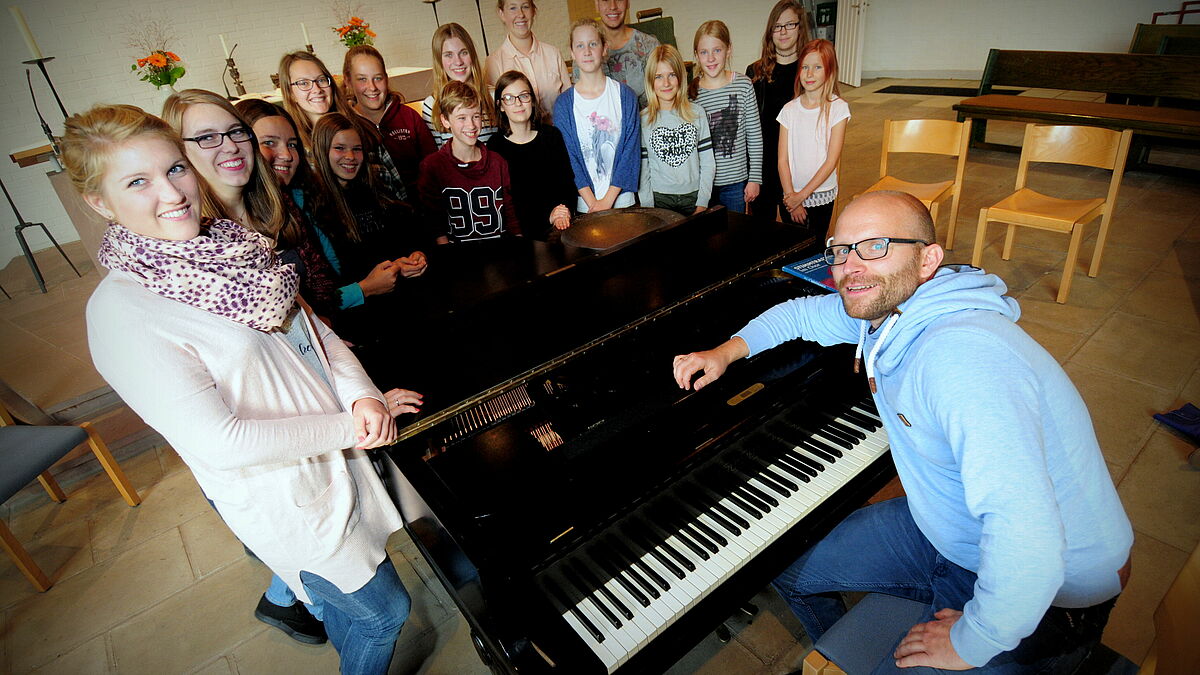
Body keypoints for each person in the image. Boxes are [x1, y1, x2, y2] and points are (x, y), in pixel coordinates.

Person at [671, 190, 1133, 674]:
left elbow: (1030, 539)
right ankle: (838, 652)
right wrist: (724, 352)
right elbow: (801, 314)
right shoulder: (893, 310)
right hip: (950, 534)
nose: (851, 266)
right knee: (784, 565)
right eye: (842, 249)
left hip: (1054, 593)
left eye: (876, 246)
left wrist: (970, 640)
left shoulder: (961, 356)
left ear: (928, 259)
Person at [65, 103, 424, 673]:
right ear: (99, 202)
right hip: (287, 491)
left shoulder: (229, 243)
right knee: (383, 613)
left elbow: (309, 326)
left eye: (175, 169)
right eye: (138, 181)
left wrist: (362, 395)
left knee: (361, 596)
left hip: (340, 454)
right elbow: (221, 442)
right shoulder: (123, 312)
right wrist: (348, 425)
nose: (173, 193)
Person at [164, 89, 339, 320]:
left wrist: (323, 326)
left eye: (236, 132)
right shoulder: (190, 238)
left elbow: (320, 281)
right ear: (179, 153)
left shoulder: (276, 201)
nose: (231, 147)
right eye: (207, 137)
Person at [236, 99, 407, 314]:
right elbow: (291, 308)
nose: (287, 155)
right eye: (269, 142)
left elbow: (330, 281)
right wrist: (364, 289)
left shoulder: (302, 198)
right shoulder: (239, 223)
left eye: (291, 144)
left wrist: (400, 264)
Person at [310, 113, 430, 288]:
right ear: (322, 150)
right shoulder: (314, 205)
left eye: (357, 149)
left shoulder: (375, 188)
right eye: (340, 148)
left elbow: (409, 233)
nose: (350, 156)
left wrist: (416, 255)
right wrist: (369, 285)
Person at [280, 50, 409, 202]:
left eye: (321, 80)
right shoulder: (294, 149)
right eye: (303, 83)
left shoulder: (362, 129)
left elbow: (399, 191)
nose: (316, 89)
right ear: (290, 93)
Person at [554, 18, 640, 215]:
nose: (587, 51)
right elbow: (570, 158)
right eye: (580, 45)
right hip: (586, 207)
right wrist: (593, 203)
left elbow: (630, 153)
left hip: (623, 203)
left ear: (604, 48)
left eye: (593, 44)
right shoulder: (564, 105)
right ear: (572, 53)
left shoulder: (625, 96)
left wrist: (607, 201)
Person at [419, 80, 519, 243]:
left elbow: (510, 214)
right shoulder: (432, 167)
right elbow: (435, 224)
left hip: (501, 256)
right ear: (445, 120)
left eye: (476, 116)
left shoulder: (497, 162)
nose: (471, 125)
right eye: (461, 118)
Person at [487, 71, 575, 240]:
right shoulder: (495, 146)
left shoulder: (551, 136)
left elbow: (567, 183)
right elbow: (504, 203)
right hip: (519, 235)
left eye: (524, 96)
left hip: (559, 227)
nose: (518, 103)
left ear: (533, 101)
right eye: (509, 98)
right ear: (500, 105)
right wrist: (546, 216)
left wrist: (562, 212)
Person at [343, 45, 438, 196]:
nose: (372, 87)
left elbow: (434, 165)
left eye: (378, 78)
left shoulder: (409, 117)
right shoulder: (345, 126)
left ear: (386, 79)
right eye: (362, 79)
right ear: (348, 81)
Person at [690, 20, 763, 214]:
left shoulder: (743, 86)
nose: (711, 58)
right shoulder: (691, 93)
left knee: (734, 233)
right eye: (704, 52)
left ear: (728, 50)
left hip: (735, 182)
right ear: (696, 55)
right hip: (703, 183)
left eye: (717, 50)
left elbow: (754, 136)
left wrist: (754, 178)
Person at [747, 0, 810, 222]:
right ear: (770, 31)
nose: (783, 32)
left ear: (800, 28)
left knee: (798, 236)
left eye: (789, 25)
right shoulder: (755, 71)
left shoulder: (809, 71)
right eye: (777, 26)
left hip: (796, 168)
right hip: (762, 166)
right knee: (761, 234)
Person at [777, 39, 848, 232]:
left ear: (829, 70)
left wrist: (802, 196)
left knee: (816, 249)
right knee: (793, 248)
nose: (809, 74)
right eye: (805, 67)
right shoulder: (789, 110)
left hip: (820, 194)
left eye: (817, 67)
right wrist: (792, 196)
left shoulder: (838, 108)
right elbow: (782, 160)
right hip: (790, 196)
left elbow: (831, 161)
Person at [638, 45, 715, 217]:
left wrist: (702, 202)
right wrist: (648, 207)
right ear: (650, 81)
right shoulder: (643, 120)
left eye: (672, 75)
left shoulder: (697, 113)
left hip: (693, 197)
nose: (666, 83)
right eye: (659, 77)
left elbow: (708, 162)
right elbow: (643, 169)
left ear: (681, 77)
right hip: (659, 199)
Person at [485, 0, 570, 121]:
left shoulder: (553, 53)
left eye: (525, 7)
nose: (520, 14)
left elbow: (569, 102)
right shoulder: (493, 63)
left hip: (558, 134)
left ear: (533, 10)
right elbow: (497, 115)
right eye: (513, 8)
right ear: (502, 13)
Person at [421, 23, 499, 148]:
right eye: (448, 55)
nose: (458, 62)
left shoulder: (494, 96)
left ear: (472, 55)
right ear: (439, 60)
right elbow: (437, 154)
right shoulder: (432, 104)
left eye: (463, 53)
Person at [584, 0, 660, 107]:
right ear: (597, 4)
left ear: (628, 3)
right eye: (605, 0)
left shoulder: (650, 45)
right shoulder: (585, 54)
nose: (613, 6)